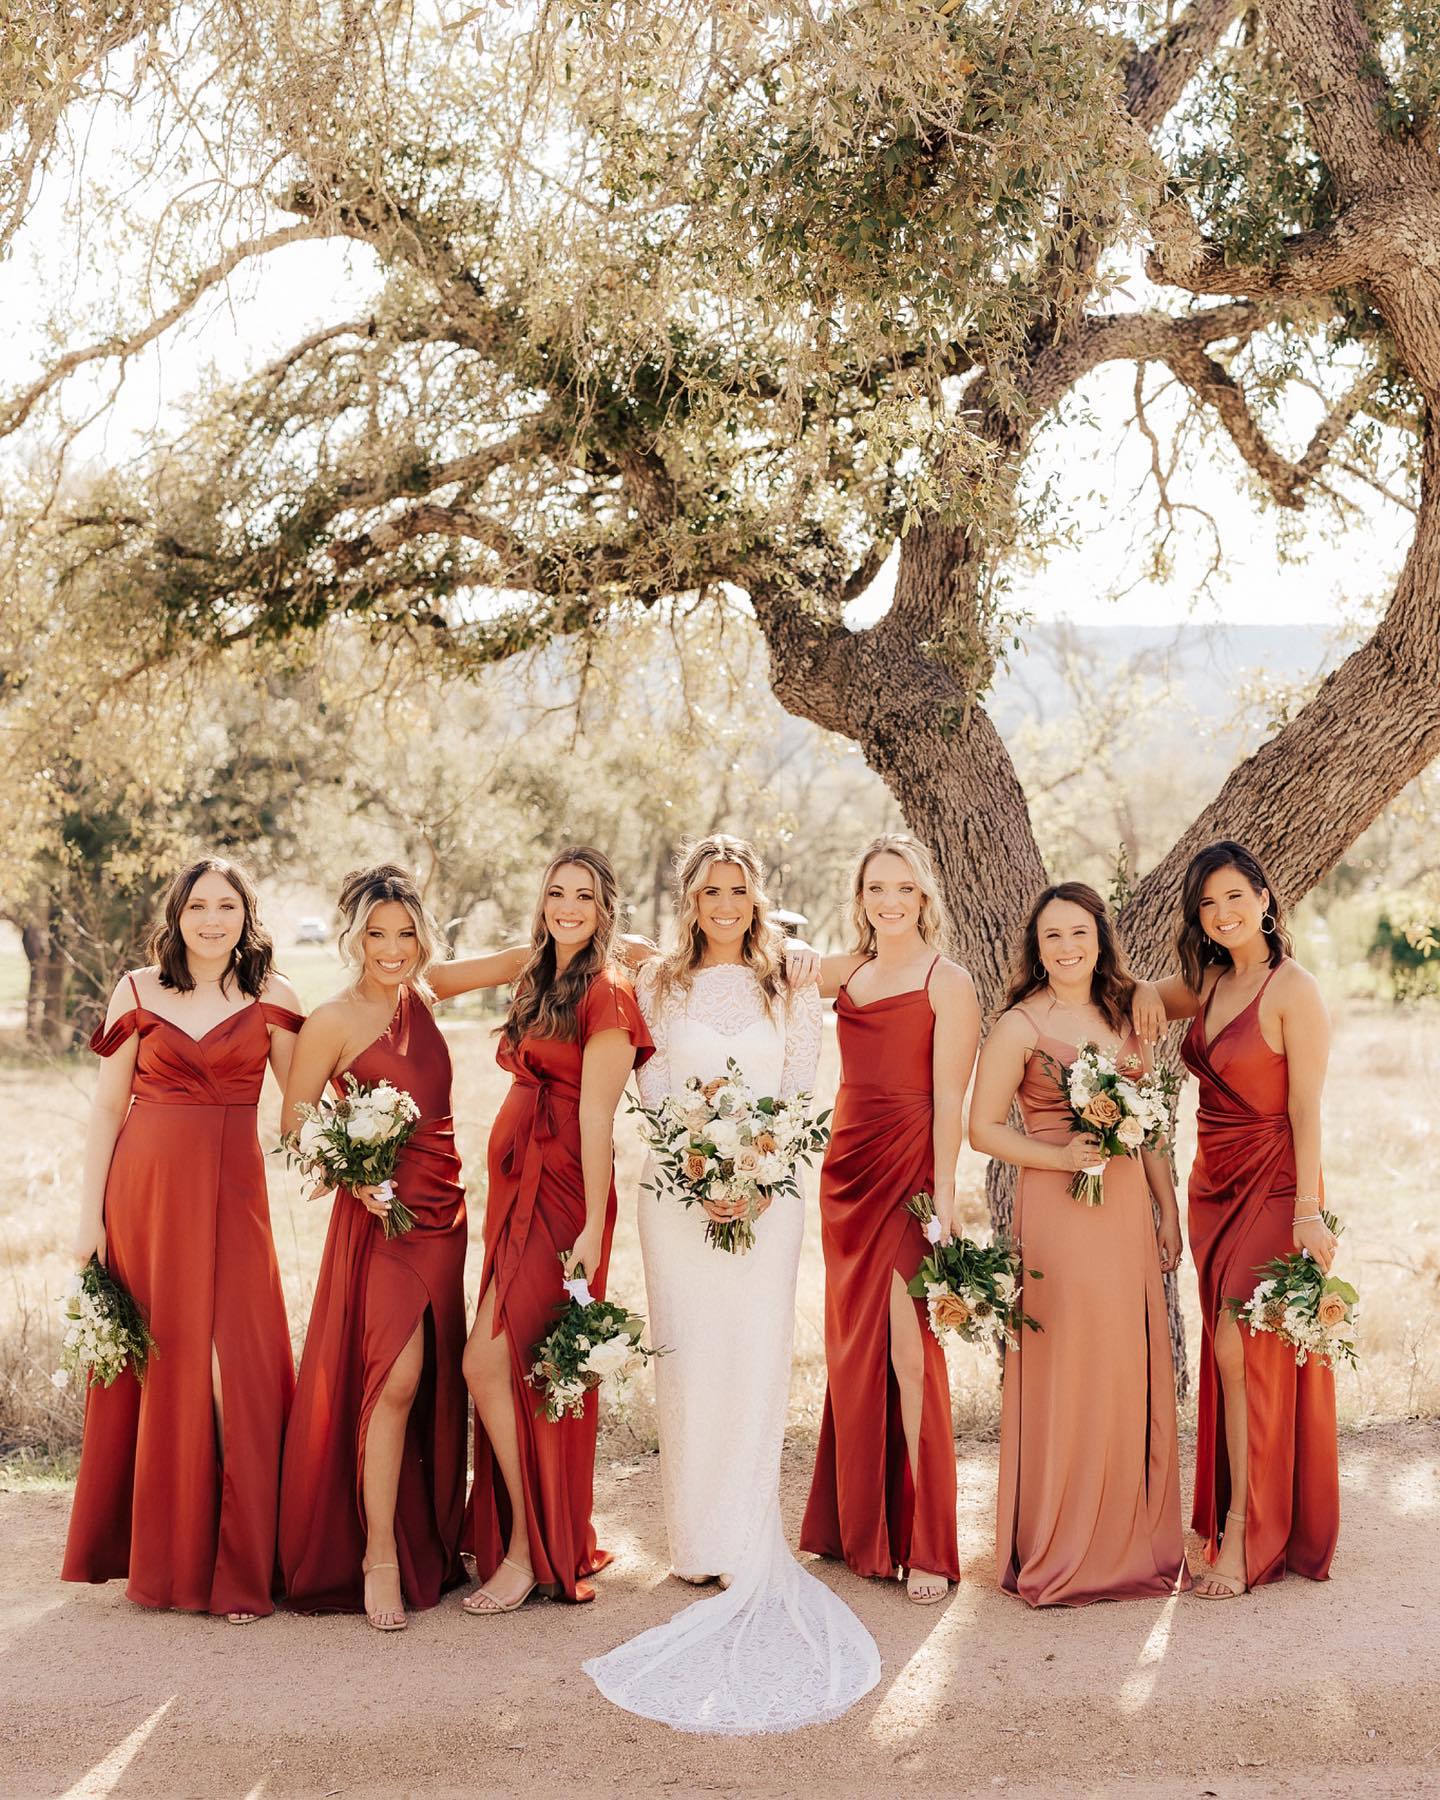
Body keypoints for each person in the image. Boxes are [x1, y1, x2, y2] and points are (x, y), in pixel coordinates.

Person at [584, 836, 878, 1733]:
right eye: (709, 889)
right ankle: (695, 1542)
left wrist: (750, 1173)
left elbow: (799, 1084)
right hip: (677, 1193)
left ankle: (746, 1540)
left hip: (769, 1191)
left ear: (757, 897)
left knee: (753, 1355)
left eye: (737, 888)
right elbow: (657, 1084)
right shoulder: (660, 982)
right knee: (692, 1356)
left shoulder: (791, 975)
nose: (724, 901)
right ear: (689, 899)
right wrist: (700, 1169)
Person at [62, 856, 303, 1623]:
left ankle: (243, 1562)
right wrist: (87, 1215)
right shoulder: (136, 989)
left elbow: (301, 1111)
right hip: (146, 1196)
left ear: (245, 915)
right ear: (177, 914)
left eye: (225, 906)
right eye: (197, 906)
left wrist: (363, 1158)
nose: (210, 920)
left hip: (235, 1197)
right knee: (166, 1358)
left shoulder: (275, 995)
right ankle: (163, 1558)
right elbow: (106, 1110)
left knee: (239, 1364)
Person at [970, 881, 1189, 1606]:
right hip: (1057, 1208)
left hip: (1124, 1207)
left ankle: (1128, 1543)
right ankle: (1061, 1543)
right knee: (1069, 1363)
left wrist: (1167, 1208)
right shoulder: (1020, 1026)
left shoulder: (1129, 1012)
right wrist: (1060, 1156)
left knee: (1123, 1363)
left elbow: (1149, 1122)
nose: (1066, 947)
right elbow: (983, 1129)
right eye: (1052, 936)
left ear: (1101, 937)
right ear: (1036, 947)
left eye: (1079, 933)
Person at [1134, 839, 1339, 1596]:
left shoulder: (1293, 989)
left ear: (1265, 896)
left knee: (1235, 1346)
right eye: (1207, 903)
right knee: (1235, 1354)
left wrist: (1310, 1212)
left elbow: (1307, 1109)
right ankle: (1222, 1513)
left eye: (1234, 897)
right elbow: (1143, 997)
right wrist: (1144, 998)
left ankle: (1249, 1534)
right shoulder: (1211, 981)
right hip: (1210, 1187)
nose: (1222, 913)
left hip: (1278, 1185)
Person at [461, 847, 653, 1613]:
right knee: (507, 1366)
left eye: (583, 897)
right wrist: (527, 948)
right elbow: (432, 980)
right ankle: (539, 1534)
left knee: (499, 1363)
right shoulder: (536, 976)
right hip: (515, 1190)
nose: (568, 906)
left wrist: (590, 1232)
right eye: (555, 893)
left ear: (607, 908)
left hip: (564, 1196)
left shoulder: (608, 993)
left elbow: (598, 1119)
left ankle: (527, 1550)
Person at [278, 865, 467, 1630]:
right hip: (380, 1216)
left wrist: (626, 945)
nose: (392, 949)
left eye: (406, 933)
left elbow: (529, 957)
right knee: (394, 1378)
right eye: (377, 935)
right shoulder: (331, 1019)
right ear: (353, 936)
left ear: (421, 934)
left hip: (444, 1215)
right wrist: (351, 1174)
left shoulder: (425, 993)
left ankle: (425, 1533)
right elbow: (295, 1126)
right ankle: (377, 1555)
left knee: (430, 1383)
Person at [797, 834, 981, 1605]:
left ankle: (929, 1541)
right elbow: (776, 965)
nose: (890, 900)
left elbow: (949, 1099)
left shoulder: (949, 981)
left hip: (909, 1175)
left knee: (912, 1354)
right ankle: (855, 1527)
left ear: (924, 895)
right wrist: (799, 946)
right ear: (861, 896)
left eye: (903, 887)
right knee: (853, 1350)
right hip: (846, 1172)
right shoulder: (850, 971)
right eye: (877, 887)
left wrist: (941, 1196)